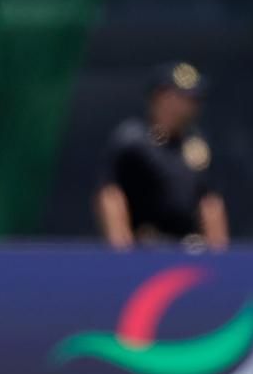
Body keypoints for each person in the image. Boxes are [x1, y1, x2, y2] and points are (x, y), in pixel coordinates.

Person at [94, 62, 229, 250]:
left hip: (190, 250)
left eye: (195, 99)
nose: (191, 105)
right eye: (184, 97)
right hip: (144, 249)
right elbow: (111, 196)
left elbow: (209, 202)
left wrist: (219, 254)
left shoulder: (197, 144)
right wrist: (122, 252)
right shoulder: (133, 140)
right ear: (160, 97)